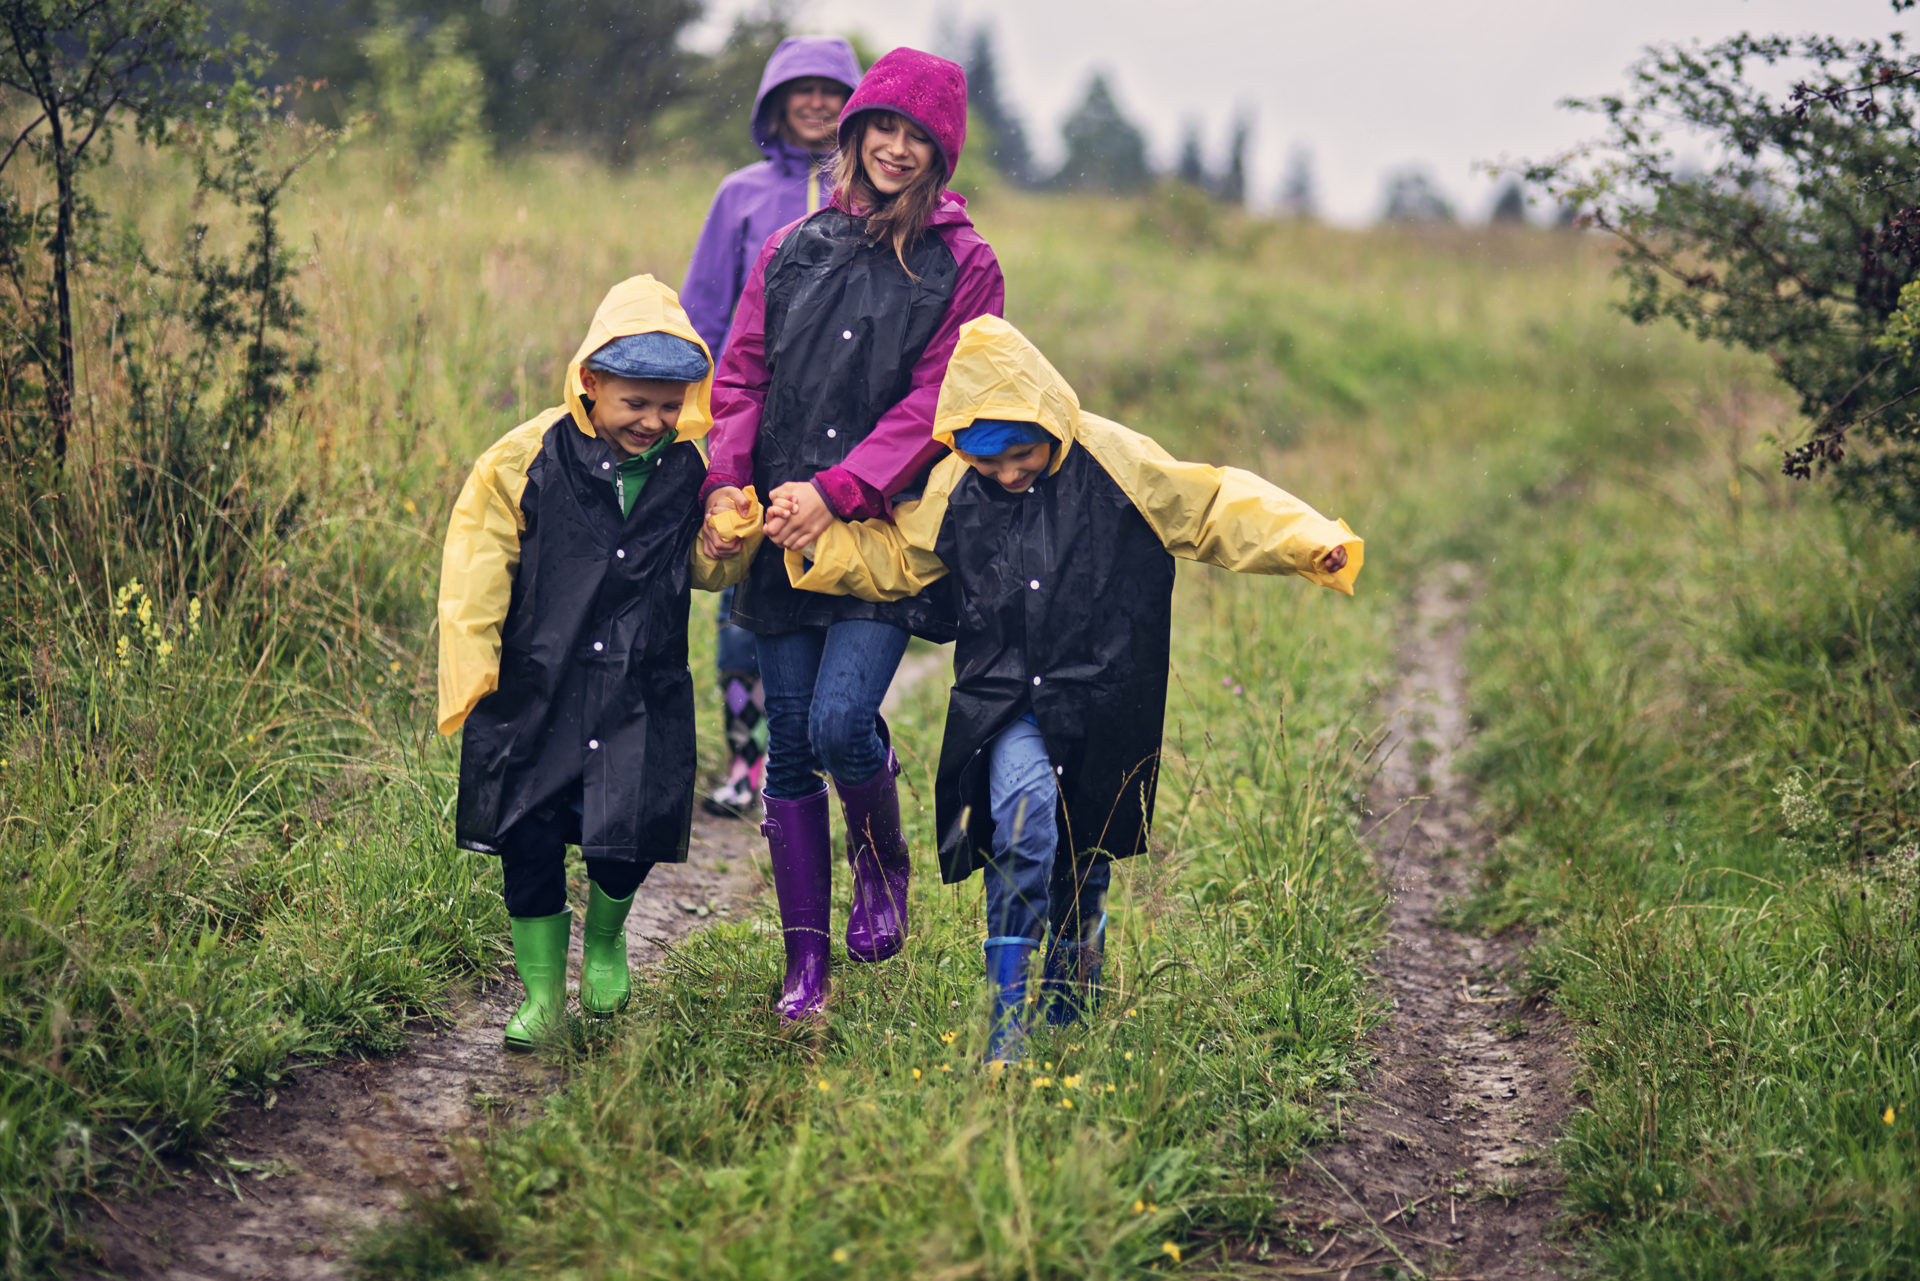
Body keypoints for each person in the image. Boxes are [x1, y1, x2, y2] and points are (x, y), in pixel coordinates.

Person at [781, 315, 1364, 1060]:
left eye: (1021, 455)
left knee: (1084, 852)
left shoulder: (1114, 457)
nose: (1008, 474)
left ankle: (1070, 986)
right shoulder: (960, 480)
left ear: (1049, 420)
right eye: (989, 463)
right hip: (1005, 699)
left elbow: (1213, 506)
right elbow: (898, 555)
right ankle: (1006, 1028)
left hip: (1104, 695)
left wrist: (1308, 541)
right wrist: (815, 545)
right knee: (1023, 824)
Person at [699, 47, 1005, 1021]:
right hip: (783, 537)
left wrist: (839, 490)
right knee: (789, 749)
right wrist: (724, 486)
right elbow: (742, 376)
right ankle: (806, 967)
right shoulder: (794, 246)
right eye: (885, 127)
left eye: (919, 137)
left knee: (840, 725)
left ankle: (885, 868)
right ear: (856, 128)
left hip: (881, 540)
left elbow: (938, 401)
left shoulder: (965, 265)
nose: (897, 149)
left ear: (941, 152)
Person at [437, 275, 747, 1048]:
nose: (653, 421)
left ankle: (606, 939)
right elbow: (478, 561)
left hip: (641, 685)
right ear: (590, 382)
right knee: (529, 835)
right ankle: (543, 995)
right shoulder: (526, 456)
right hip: (539, 680)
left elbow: (705, 571)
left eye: (669, 404)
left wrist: (724, 546)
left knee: (627, 834)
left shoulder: (689, 471)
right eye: (634, 402)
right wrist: (472, 669)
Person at [682, 36, 862, 820]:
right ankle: (747, 760)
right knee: (737, 607)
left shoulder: (874, 198)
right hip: (749, 430)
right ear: (776, 101)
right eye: (804, 90)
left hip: (841, 443)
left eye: (833, 90)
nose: (819, 103)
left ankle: (833, 743)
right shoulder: (741, 196)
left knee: (838, 596)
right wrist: (698, 422)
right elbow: (705, 313)